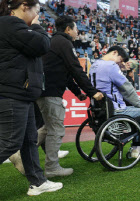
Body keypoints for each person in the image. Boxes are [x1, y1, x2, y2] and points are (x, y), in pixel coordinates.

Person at [0, 0, 63, 196]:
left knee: (28, 140)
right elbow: (42, 45)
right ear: (25, 6)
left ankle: (38, 182)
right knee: (10, 142)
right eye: (37, 11)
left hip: (18, 94)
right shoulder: (10, 24)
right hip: (10, 94)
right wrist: (36, 26)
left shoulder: (11, 26)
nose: (38, 16)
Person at [36, 15, 104, 178]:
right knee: (56, 129)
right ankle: (52, 167)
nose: (77, 32)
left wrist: (77, 92)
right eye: (75, 29)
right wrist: (92, 92)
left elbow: (66, 74)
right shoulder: (64, 43)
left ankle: (19, 152)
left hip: (43, 90)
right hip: (51, 92)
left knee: (46, 128)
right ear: (68, 29)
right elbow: (75, 70)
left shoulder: (54, 42)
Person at [89, 46, 140, 158]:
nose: (120, 63)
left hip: (100, 110)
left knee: (138, 112)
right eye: (120, 60)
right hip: (115, 109)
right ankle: (139, 148)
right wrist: (139, 104)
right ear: (114, 52)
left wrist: (121, 70)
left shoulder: (94, 65)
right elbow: (127, 88)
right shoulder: (111, 65)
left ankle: (137, 147)